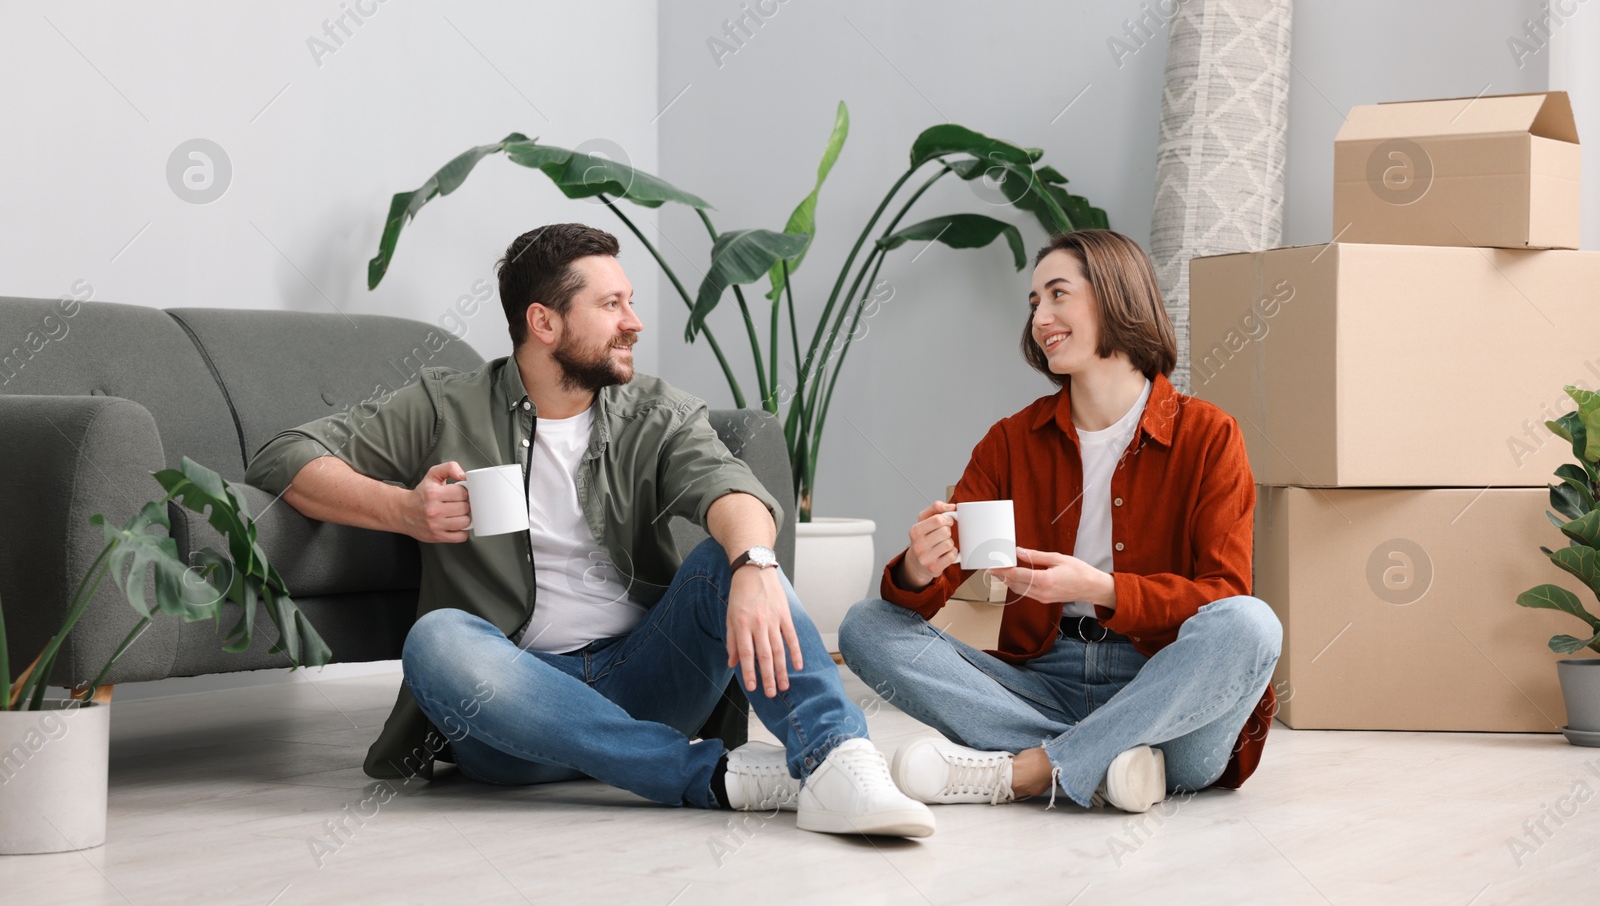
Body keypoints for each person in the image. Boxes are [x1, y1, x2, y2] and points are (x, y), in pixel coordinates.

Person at [245, 223, 934, 838]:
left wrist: (754, 564)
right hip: (514, 706)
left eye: (629, 301)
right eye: (612, 305)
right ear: (543, 322)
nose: (633, 322)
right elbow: (285, 455)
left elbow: (730, 486)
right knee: (436, 642)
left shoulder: (653, 412)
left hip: (649, 674)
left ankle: (837, 760)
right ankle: (708, 775)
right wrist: (404, 509)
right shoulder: (443, 405)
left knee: (733, 559)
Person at [838, 229, 1281, 813]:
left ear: (1116, 296)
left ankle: (1031, 770)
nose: (1040, 318)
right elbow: (941, 584)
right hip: (1039, 686)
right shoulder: (1010, 443)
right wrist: (921, 567)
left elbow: (1223, 594)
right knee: (866, 626)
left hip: (1168, 695)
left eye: (1057, 294)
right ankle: (1108, 764)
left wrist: (1101, 589)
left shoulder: (1207, 436)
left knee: (1251, 624)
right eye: (1033, 303)